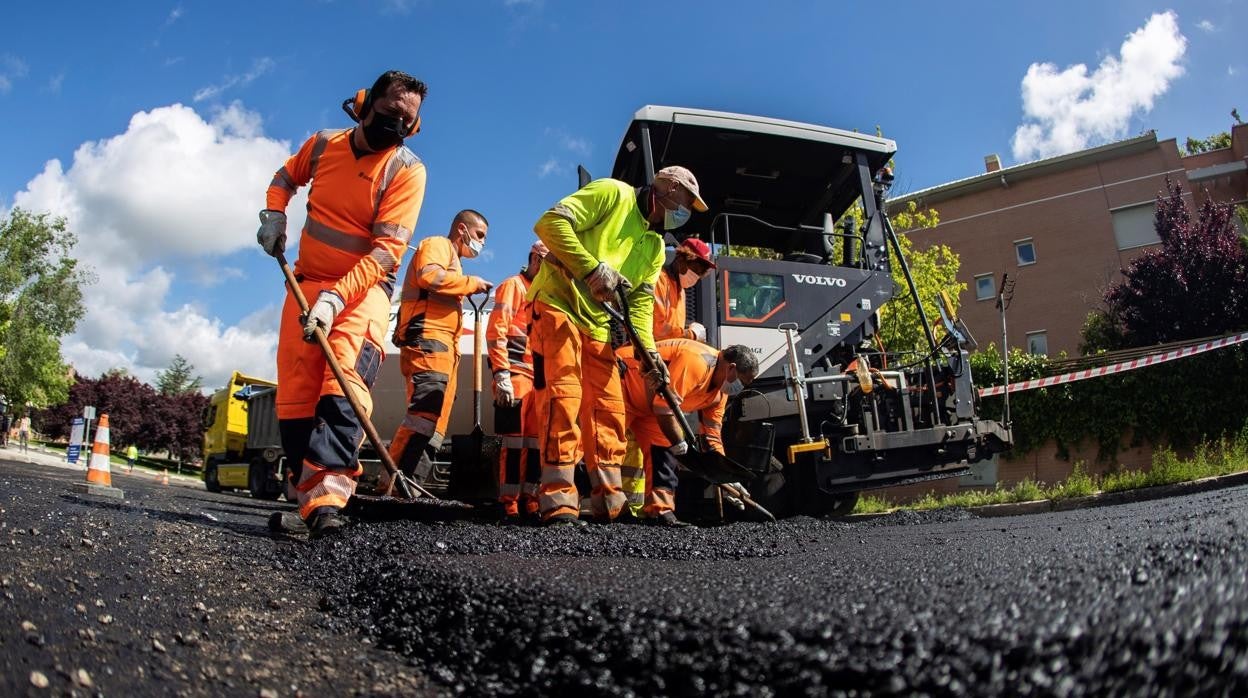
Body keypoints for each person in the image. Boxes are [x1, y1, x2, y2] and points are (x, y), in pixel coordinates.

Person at [256, 70, 428, 538]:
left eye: (407, 121)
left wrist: (336, 298)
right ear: (366, 104)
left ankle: (329, 500)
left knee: (344, 384)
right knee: (296, 394)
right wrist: (274, 212)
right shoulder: (323, 145)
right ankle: (306, 495)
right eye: (391, 113)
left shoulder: (406, 171)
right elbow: (284, 177)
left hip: (363, 293)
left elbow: (387, 251)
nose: (398, 125)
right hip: (305, 284)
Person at [530, 165, 708, 525]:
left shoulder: (655, 246)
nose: (684, 212)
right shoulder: (613, 194)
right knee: (564, 398)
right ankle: (559, 501)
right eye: (685, 203)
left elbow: (640, 310)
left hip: (598, 323)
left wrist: (651, 358)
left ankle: (609, 503)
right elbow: (549, 224)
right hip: (557, 303)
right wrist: (592, 269)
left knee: (609, 411)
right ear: (667, 189)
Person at [387, 211, 492, 484]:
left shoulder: (454, 262)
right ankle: (397, 482)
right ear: (462, 229)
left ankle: (412, 483)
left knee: (435, 422)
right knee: (424, 412)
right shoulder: (437, 245)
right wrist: (472, 284)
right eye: (479, 235)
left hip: (443, 347)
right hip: (428, 340)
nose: (482, 243)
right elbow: (429, 277)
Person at [617, 339, 758, 526]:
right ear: (731, 368)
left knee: (663, 452)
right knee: (604, 443)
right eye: (742, 382)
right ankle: (596, 507)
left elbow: (712, 434)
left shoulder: (719, 392)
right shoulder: (696, 362)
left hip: (650, 407)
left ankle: (661, 511)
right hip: (622, 380)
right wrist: (679, 442)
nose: (740, 388)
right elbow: (664, 407)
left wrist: (725, 475)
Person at [487, 240, 547, 521]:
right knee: (513, 441)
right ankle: (508, 502)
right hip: (515, 373)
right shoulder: (514, 286)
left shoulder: (543, 293)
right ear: (535, 259)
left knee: (535, 442)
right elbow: (496, 331)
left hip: (537, 378)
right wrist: (501, 374)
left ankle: (530, 498)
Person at [653, 238, 716, 341]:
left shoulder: (681, 292)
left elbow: (673, 328)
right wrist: (690, 334)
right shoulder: (659, 280)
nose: (696, 276)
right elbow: (656, 330)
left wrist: (686, 331)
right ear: (681, 259)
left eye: (700, 274)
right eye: (695, 270)